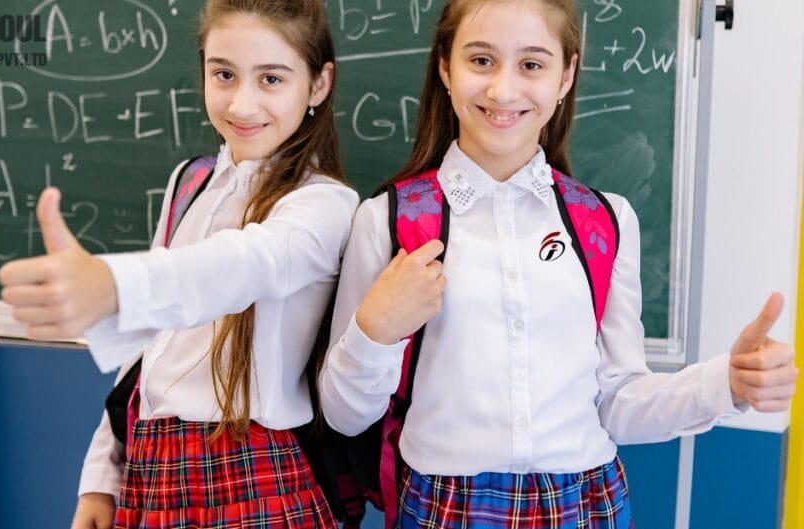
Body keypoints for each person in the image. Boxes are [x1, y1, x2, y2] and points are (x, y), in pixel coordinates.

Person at [318, 0, 798, 527]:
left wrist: (725, 384)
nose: (503, 90)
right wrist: (375, 332)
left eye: (532, 64)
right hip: (444, 506)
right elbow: (345, 415)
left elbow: (618, 401)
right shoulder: (388, 220)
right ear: (444, 68)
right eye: (480, 60)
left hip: (587, 502)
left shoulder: (606, 221)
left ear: (566, 74)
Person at [0, 1, 358, 527]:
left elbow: (237, 267)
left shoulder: (325, 204)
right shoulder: (190, 182)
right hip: (152, 470)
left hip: (251, 479)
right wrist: (101, 476)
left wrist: (113, 285)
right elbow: (150, 349)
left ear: (319, 85)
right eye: (224, 74)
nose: (242, 102)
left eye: (272, 79)